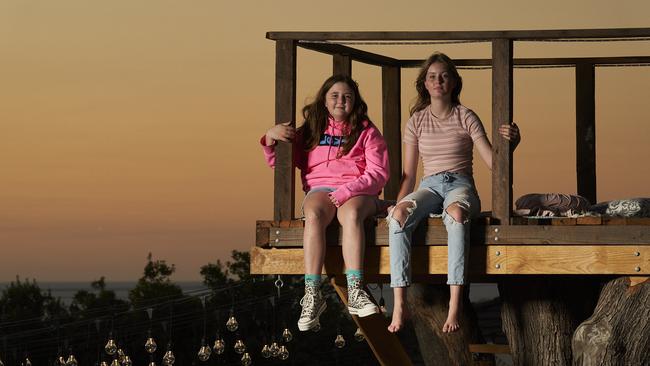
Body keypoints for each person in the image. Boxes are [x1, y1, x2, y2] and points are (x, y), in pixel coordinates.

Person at [387, 52, 520, 333]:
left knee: (457, 214)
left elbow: (493, 163)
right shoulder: (416, 121)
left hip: (460, 185)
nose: (438, 81)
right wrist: (398, 203)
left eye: (444, 76)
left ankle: (455, 303)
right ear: (424, 83)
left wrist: (511, 145)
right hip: (429, 186)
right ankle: (399, 302)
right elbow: (409, 175)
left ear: (454, 82)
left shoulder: (465, 116)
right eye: (432, 76)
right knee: (398, 216)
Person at [261, 75, 390, 331]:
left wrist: (347, 191)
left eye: (347, 96)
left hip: (357, 190)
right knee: (313, 213)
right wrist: (269, 137)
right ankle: (312, 295)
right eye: (335, 96)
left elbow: (379, 173)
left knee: (351, 215)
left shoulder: (366, 130)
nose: (341, 101)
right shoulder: (311, 129)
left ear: (355, 102)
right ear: (324, 100)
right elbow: (280, 162)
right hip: (321, 188)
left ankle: (355, 290)